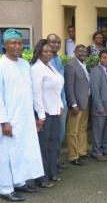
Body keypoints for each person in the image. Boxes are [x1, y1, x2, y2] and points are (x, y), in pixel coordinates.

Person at [0, 29, 43, 202]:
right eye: (13, 43)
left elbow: (29, 92)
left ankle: (19, 181)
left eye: (19, 42)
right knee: (6, 154)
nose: (17, 46)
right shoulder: (1, 65)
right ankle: (5, 188)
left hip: (25, 117)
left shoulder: (25, 64)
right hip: (9, 119)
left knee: (22, 151)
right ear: (5, 45)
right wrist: (4, 121)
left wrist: (34, 115)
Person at [31, 39, 64, 187]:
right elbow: (36, 94)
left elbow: (57, 88)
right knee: (42, 147)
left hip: (55, 112)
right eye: (45, 51)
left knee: (54, 144)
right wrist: (41, 116)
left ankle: (52, 173)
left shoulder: (50, 66)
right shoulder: (36, 68)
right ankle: (41, 178)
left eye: (50, 51)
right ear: (39, 51)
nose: (49, 53)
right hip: (43, 114)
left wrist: (61, 105)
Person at [65, 45, 90, 166]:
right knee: (72, 131)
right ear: (74, 52)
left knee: (82, 129)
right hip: (76, 105)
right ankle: (73, 156)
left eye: (85, 51)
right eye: (80, 50)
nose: (82, 53)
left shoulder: (84, 65)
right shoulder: (71, 65)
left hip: (85, 102)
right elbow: (69, 87)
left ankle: (82, 151)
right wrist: (73, 104)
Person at [89, 49, 107, 162]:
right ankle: (96, 152)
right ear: (100, 58)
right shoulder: (95, 70)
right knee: (98, 131)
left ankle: (105, 148)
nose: (106, 60)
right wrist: (100, 107)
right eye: (104, 57)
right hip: (100, 108)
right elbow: (95, 90)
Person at [47, 34, 68, 172]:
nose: (56, 44)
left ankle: (56, 160)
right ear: (47, 43)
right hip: (52, 105)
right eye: (53, 42)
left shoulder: (58, 59)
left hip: (62, 102)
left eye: (58, 42)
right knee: (52, 135)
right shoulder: (45, 60)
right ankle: (51, 164)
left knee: (60, 134)